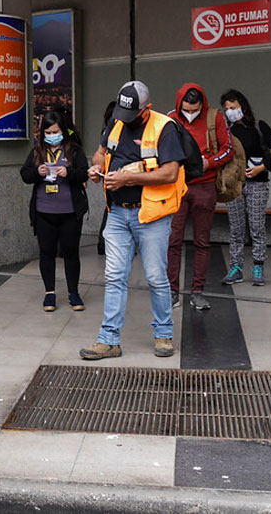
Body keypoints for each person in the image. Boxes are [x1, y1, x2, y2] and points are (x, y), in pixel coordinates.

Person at [80, 81, 186, 360]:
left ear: (147, 108)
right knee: (114, 276)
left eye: (132, 115)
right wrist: (97, 167)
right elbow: (102, 152)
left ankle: (163, 335)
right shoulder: (117, 122)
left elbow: (170, 173)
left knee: (155, 277)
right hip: (116, 214)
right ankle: (109, 340)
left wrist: (128, 177)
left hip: (151, 215)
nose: (124, 121)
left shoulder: (165, 128)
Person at [166, 84, 234, 311]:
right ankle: (172, 291)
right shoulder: (171, 118)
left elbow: (228, 148)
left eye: (195, 110)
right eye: (186, 109)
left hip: (205, 187)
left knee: (202, 241)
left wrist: (209, 163)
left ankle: (197, 291)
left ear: (201, 104)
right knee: (172, 240)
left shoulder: (216, 118)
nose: (191, 114)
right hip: (177, 187)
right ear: (179, 105)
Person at [20, 110, 89, 312]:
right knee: (46, 253)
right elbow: (25, 175)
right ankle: (49, 293)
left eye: (55, 131)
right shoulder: (37, 151)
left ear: (63, 131)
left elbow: (84, 174)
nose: (52, 135)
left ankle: (73, 293)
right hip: (44, 212)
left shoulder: (74, 151)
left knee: (71, 254)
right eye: (48, 132)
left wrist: (69, 172)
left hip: (69, 213)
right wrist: (37, 172)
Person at [219, 89, 271, 287]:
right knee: (236, 229)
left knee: (257, 226)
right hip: (234, 186)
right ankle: (236, 268)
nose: (230, 111)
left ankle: (258, 266)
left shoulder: (259, 127)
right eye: (227, 109)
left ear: (243, 105)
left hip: (257, 184)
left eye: (233, 107)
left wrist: (262, 167)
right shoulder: (227, 131)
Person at [97, 101, 117, 255]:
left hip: (110, 174)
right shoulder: (109, 132)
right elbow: (100, 155)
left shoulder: (106, 131)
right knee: (111, 208)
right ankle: (103, 243)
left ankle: (103, 243)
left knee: (110, 208)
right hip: (112, 175)